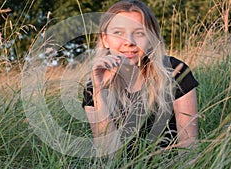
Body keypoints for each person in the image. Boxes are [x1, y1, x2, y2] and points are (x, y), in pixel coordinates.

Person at [82, 0, 199, 155]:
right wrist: (99, 91)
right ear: (105, 39)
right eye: (118, 33)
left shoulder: (175, 71)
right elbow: (107, 154)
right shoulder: (93, 86)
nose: (129, 42)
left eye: (139, 33)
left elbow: (189, 146)